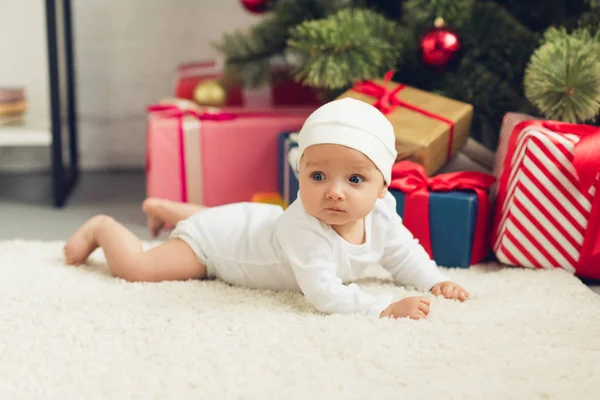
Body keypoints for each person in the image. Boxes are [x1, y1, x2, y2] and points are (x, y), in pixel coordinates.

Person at [64, 98, 469, 320]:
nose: (334, 193)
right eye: (318, 177)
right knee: (139, 268)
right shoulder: (304, 228)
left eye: (355, 180)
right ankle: (102, 228)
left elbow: (403, 252)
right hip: (215, 246)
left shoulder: (382, 215)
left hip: (247, 222)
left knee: (238, 218)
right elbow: (326, 295)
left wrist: (433, 281)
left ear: (384, 187)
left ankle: (169, 208)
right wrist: (384, 307)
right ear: (300, 174)